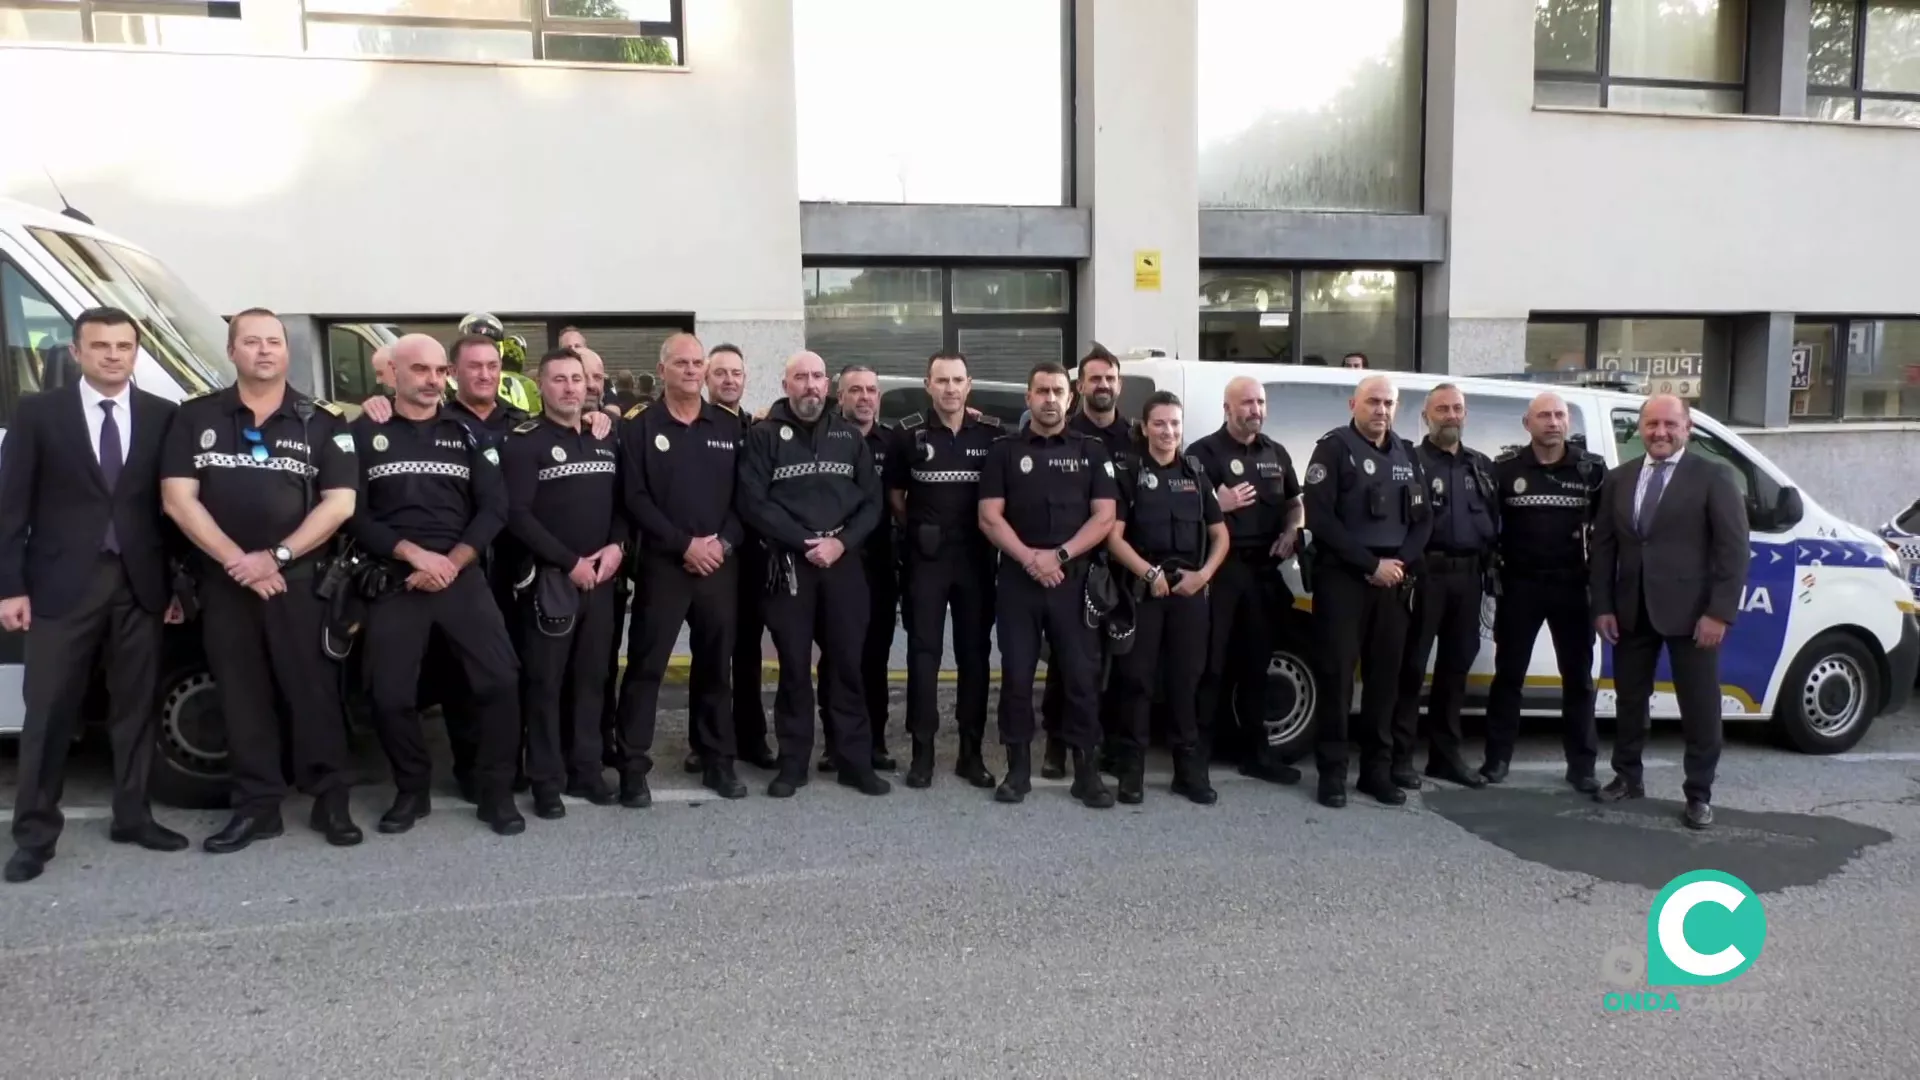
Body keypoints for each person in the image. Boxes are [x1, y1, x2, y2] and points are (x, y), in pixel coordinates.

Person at [159, 308, 362, 852]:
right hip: (227, 584)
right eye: (251, 342)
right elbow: (178, 501)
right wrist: (238, 562)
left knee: (313, 694)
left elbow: (340, 503)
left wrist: (275, 556)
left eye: (273, 341)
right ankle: (257, 807)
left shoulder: (320, 421)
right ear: (232, 351)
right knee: (242, 698)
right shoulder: (195, 417)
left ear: (286, 351)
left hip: (299, 582)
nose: (264, 351)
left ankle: (331, 800)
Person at [0, 307, 188, 883]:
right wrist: (10, 587)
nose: (113, 355)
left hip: (139, 585)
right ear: (76, 352)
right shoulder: (38, 414)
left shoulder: (163, 417)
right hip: (60, 586)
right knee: (49, 713)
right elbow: (9, 507)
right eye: (100, 345)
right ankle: (34, 835)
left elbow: (171, 511)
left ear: (136, 353)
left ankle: (132, 816)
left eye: (124, 346)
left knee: (135, 711)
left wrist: (175, 585)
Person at [347, 334, 525, 836]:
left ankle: (494, 792)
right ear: (393, 374)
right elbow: (351, 513)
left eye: (439, 370)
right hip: (396, 578)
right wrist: (412, 555)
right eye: (419, 370)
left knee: (500, 681)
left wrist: (451, 561)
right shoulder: (364, 432)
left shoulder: (469, 433)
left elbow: (495, 508)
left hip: (459, 574)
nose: (431, 380)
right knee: (389, 694)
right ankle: (412, 790)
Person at [735, 351, 891, 799]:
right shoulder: (763, 436)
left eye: (818, 377)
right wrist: (806, 542)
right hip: (790, 568)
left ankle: (852, 761)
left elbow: (872, 503)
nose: (810, 386)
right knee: (794, 670)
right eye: (801, 377)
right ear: (786, 385)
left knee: (847, 666)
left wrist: (840, 544)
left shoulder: (848, 437)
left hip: (843, 566)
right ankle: (793, 764)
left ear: (829, 386)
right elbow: (753, 503)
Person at [1591, 394, 1748, 830]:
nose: (1660, 433)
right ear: (1639, 428)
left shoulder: (1714, 477)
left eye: (1670, 425)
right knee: (1629, 701)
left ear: (1687, 428)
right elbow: (1603, 549)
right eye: (1652, 424)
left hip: (1694, 614)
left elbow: (1733, 551)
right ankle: (1627, 777)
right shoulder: (1619, 479)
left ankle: (1698, 793)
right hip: (1630, 611)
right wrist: (1603, 605)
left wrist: (1719, 613)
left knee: (1699, 706)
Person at [978, 360, 1120, 809]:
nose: (1050, 399)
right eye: (1042, 391)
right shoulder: (1003, 451)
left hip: (1073, 579)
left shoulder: (1090, 450)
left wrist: (1058, 556)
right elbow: (989, 516)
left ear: (1070, 397)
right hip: (1019, 582)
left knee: (1080, 677)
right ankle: (1017, 770)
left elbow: (1105, 516)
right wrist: (1031, 560)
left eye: (1058, 391)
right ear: (1028, 398)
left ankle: (1086, 773)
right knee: (1017, 676)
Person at [617, 333, 750, 804]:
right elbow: (633, 497)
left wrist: (723, 543)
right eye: (682, 364)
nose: (692, 371)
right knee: (646, 669)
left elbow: (744, 498)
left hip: (719, 565)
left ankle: (718, 761)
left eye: (698, 364)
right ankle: (633, 767)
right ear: (663, 368)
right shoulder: (639, 425)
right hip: (664, 567)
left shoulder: (729, 426)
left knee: (716, 668)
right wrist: (683, 544)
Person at [501, 348, 628, 819]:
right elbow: (516, 515)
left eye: (577, 378)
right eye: (559, 379)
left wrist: (617, 546)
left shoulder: (605, 438)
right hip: (550, 582)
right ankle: (546, 781)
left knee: (592, 680)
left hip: (602, 579)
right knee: (546, 684)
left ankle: (587, 769)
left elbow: (623, 502)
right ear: (541, 386)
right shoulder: (523, 443)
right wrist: (569, 561)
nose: (571, 387)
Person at [1302, 374, 1430, 808]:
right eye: (1373, 401)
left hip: (1393, 580)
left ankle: (1376, 771)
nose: (1381, 410)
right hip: (1344, 579)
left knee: (1385, 681)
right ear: (1353, 404)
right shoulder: (1333, 449)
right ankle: (1333, 774)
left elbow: (1423, 520)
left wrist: (1398, 565)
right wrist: (1369, 564)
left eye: (1389, 403)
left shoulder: (1407, 454)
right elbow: (1320, 519)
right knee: (1336, 679)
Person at [1105, 392, 1228, 804]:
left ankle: (1188, 771)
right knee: (1136, 682)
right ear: (1144, 427)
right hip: (1143, 591)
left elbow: (1220, 535)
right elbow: (1113, 537)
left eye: (1175, 423)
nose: (1168, 431)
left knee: (1185, 682)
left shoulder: (1195, 472)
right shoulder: (1130, 472)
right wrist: (1147, 572)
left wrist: (1204, 576)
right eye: (1160, 424)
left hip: (1189, 592)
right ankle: (1132, 769)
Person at [1480, 392, 1606, 791]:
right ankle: (1497, 759)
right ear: (1527, 423)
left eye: (1559, 415)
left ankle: (1582, 767)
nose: (1552, 422)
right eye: (1543, 416)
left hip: (1573, 586)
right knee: (1508, 676)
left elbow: (1606, 535)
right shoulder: (1505, 470)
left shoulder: (1591, 471)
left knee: (1578, 679)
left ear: (1568, 422)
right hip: (1521, 585)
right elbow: (1487, 529)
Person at [890, 352, 1001, 791]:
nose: (950, 388)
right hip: (927, 562)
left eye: (957, 380)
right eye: (942, 380)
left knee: (974, 658)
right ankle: (923, 754)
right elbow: (896, 498)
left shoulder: (992, 434)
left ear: (969, 384)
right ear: (928, 384)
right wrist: (920, 530)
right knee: (924, 657)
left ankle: (970, 754)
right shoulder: (908, 435)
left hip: (975, 560)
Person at [1188, 376, 1305, 785]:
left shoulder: (1277, 453)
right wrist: (1216, 504)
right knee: (1211, 666)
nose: (1255, 409)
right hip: (1222, 571)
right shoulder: (1203, 453)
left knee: (1257, 666)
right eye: (1247, 403)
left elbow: (1294, 504)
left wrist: (1293, 530)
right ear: (1227, 407)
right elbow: (1185, 509)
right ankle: (1198, 756)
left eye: (1260, 402)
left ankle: (1256, 754)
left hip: (1264, 573)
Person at [1390, 384, 1497, 791]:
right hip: (1423, 576)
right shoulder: (1410, 462)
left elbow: (1494, 524)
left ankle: (1445, 756)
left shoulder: (1481, 467)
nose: (1450, 415)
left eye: (1457, 408)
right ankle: (1399, 758)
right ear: (1426, 416)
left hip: (1469, 578)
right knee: (1411, 667)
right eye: (1442, 409)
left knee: (1456, 669)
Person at [1040, 344, 1134, 779]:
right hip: (1078, 564)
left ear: (1119, 384)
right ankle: (1058, 743)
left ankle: (1107, 741)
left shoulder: (1136, 436)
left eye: (1109, 378)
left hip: (1127, 565)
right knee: (1068, 659)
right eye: (1094, 378)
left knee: (1119, 660)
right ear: (1080, 387)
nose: (1103, 385)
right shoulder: (1064, 432)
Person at [690, 343, 779, 771]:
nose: (729, 380)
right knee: (709, 650)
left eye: (736, 373)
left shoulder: (757, 428)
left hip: (753, 557)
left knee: (748, 651)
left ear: (746, 379)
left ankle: (751, 737)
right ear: (707, 378)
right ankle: (703, 739)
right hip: (712, 555)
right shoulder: (697, 424)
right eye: (720, 372)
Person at [814, 364, 899, 775]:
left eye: (871, 390)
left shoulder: (895, 441)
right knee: (835, 656)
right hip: (834, 565)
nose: (865, 397)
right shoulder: (825, 439)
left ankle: (875, 740)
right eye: (855, 391)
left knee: (875, 657)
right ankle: (835, 742)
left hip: (879, 566)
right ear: (839, 396)